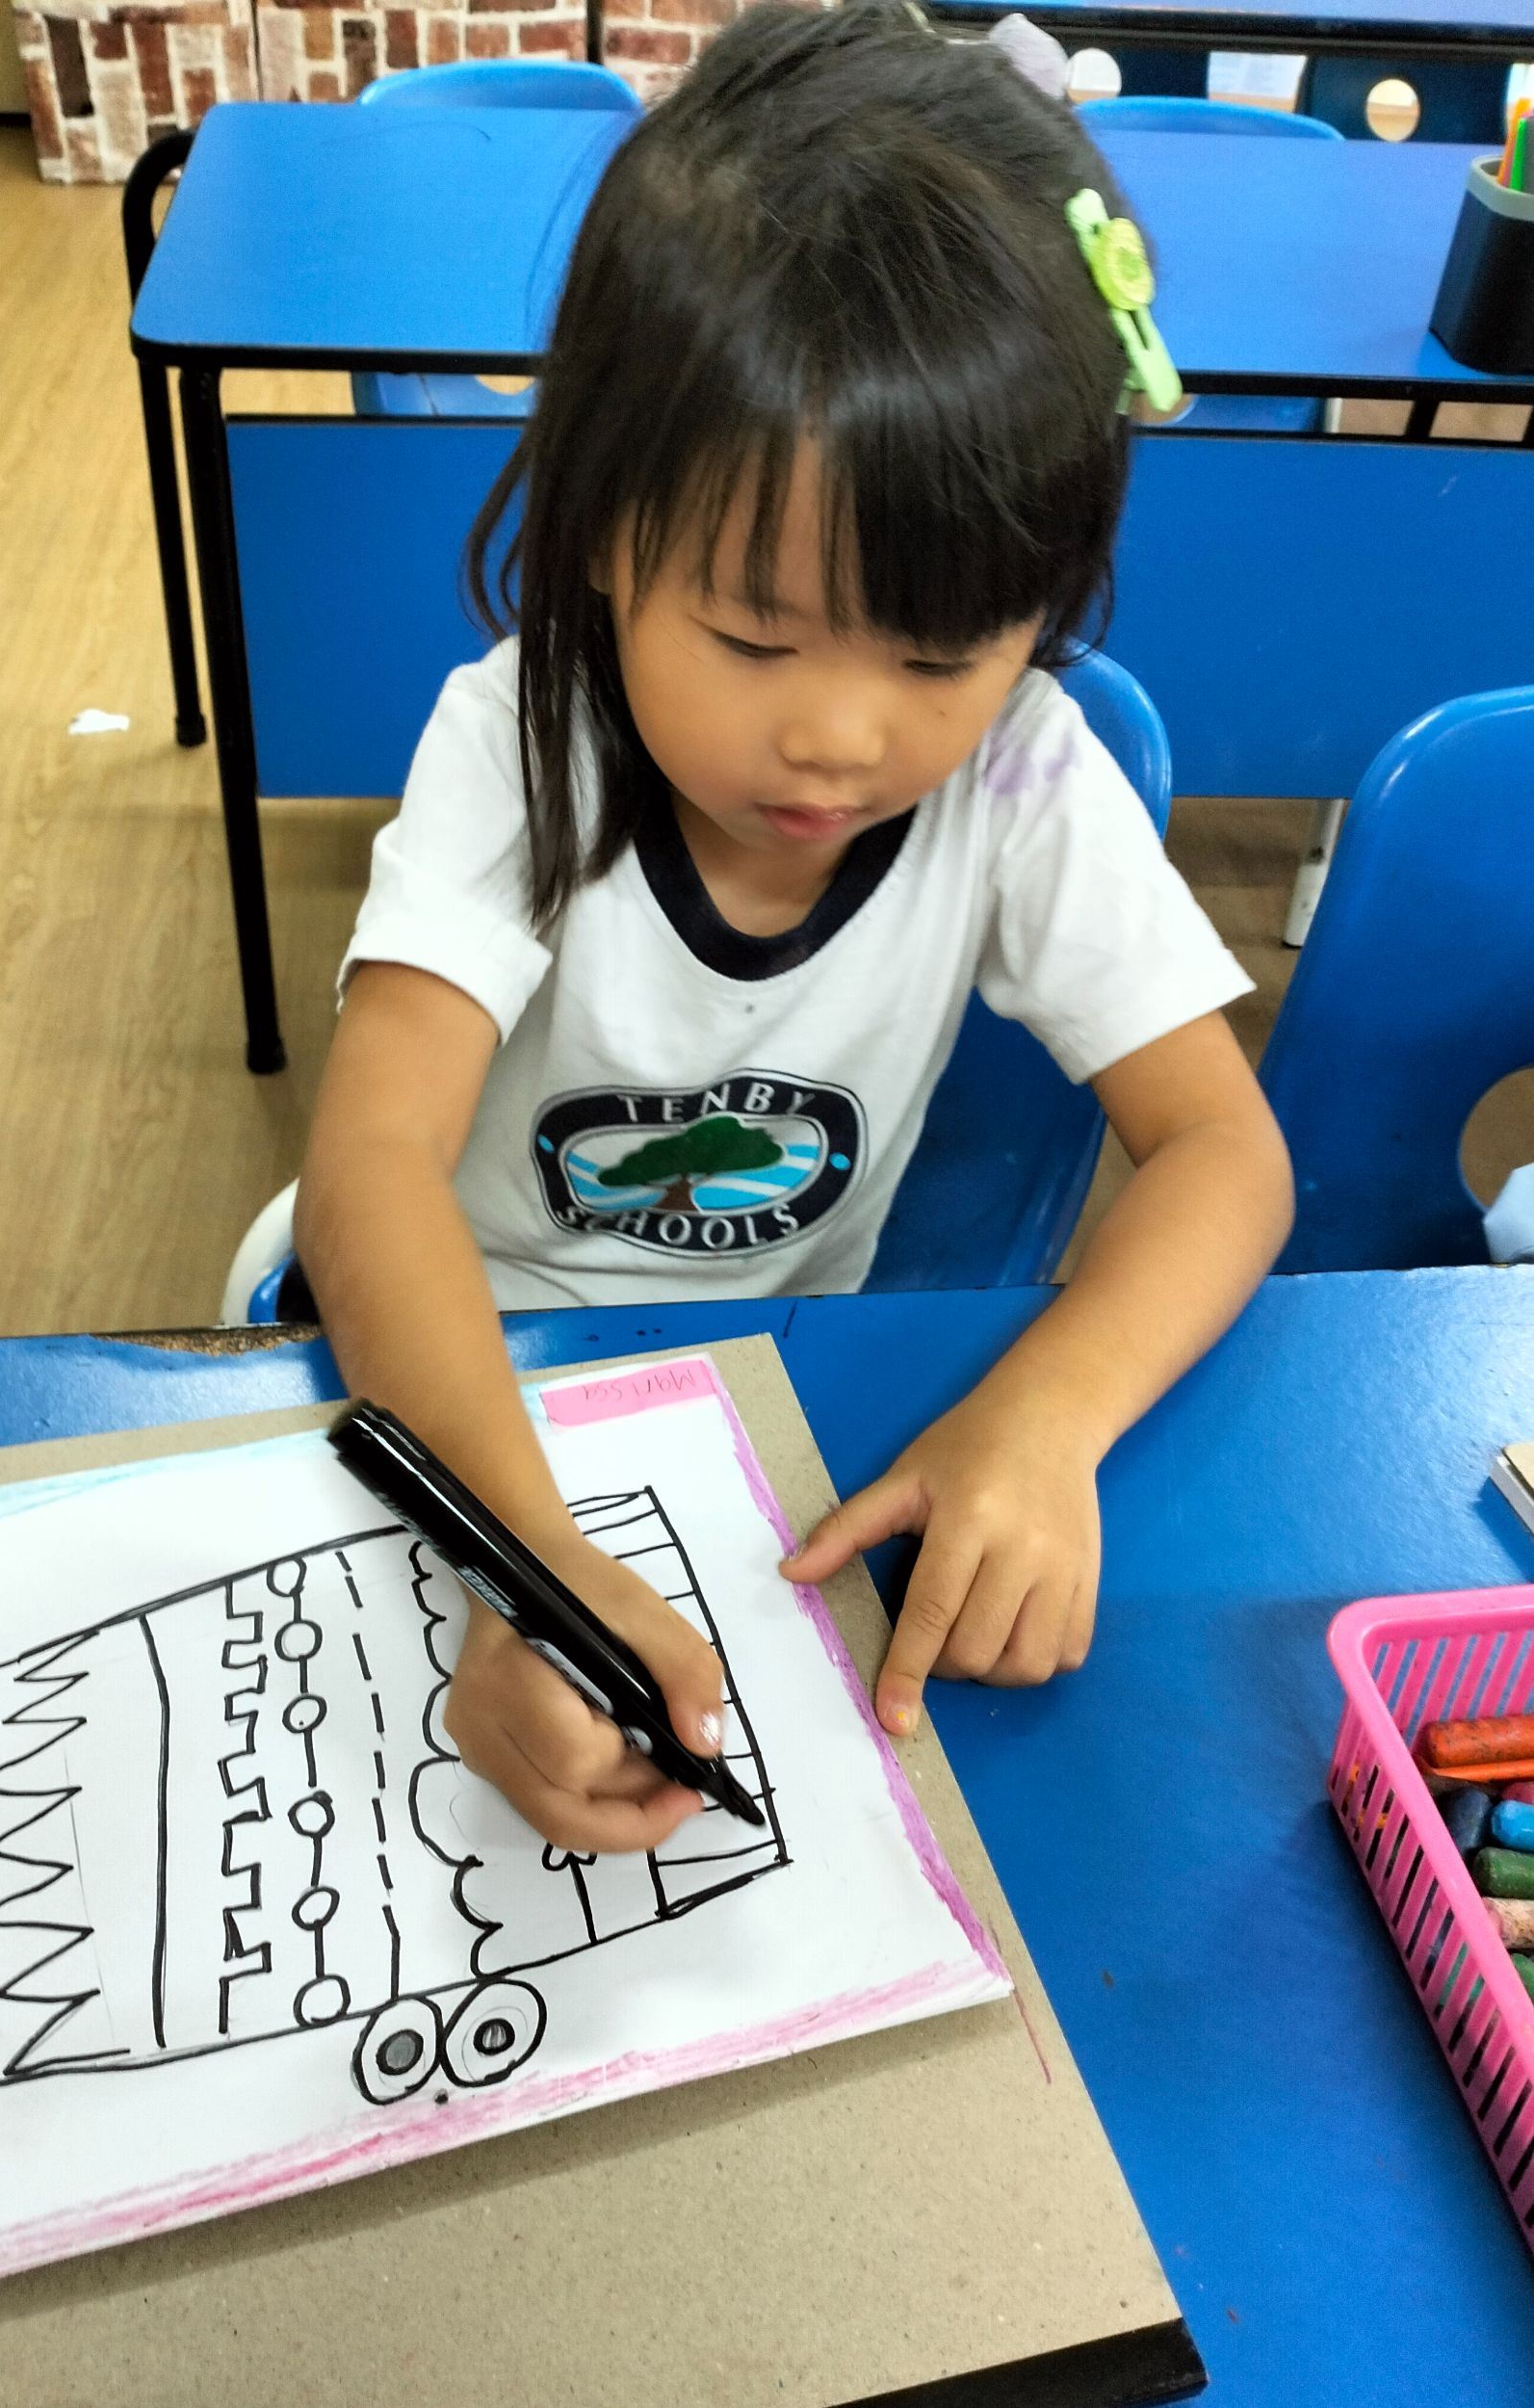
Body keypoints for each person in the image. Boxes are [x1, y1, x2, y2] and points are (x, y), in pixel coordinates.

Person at [296, 0, 1294, 1856]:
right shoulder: (517, 744)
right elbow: (368, 1165)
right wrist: (516, 1556)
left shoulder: (1020, 776)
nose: (839, 738)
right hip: (448, 1373)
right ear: (605, 528)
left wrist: (1051, 1414)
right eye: (754, 639)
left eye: (941, 654)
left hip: (756, 1408)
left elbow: (1221, 1154)